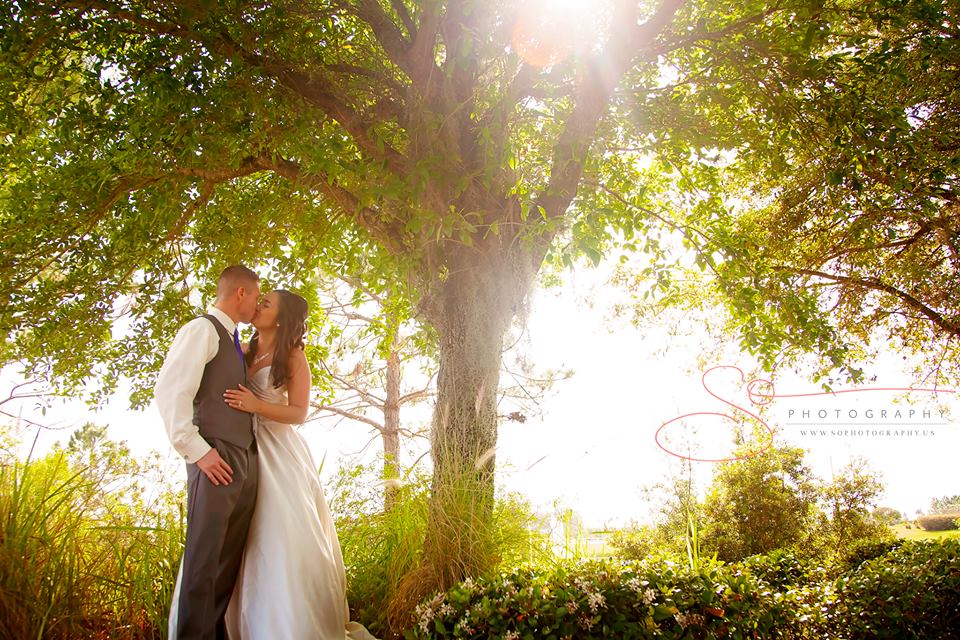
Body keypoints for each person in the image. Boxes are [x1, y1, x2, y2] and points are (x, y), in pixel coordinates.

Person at [222, 289, 375, 640]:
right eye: (259, 301)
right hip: (241, 447)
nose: (257, 307)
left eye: (265, 304)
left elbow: (299, 413)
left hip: (278, 451)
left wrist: (255, 406)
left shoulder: (292, 356)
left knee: (275, 533)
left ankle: (284, 626)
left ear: (281, 317)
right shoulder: (242, 350)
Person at [156, 265, 261, 640]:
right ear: (241, 295)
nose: (258, 305)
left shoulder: (233, 342)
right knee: (203, 563)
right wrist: (198, 452)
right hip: (215, 457)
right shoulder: (201, 330)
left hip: (242, 460)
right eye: (257, 297)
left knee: (225, 564)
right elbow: (171, 392)